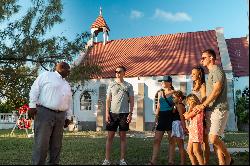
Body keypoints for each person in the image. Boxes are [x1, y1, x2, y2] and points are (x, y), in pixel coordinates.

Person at [194, 49, 233, 165]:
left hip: (219, 108)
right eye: (201, 58)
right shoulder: (211, 72)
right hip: (211, 109)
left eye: (204, 58)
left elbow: (216, 90)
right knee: (215, 141)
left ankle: (229, 158)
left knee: (213, 139)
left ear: (211, 58)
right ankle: (222, 162)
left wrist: (203, 105)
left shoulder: (216, 70)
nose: (202, 60)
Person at [28, 62, 73, 165]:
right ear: (61, 68)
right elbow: (35, 89)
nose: (69, 72)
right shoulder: (46, 75)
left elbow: (69, 101)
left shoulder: (66, 84)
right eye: (68, 70)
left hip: (60, 116)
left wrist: (68, 116)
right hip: (44, 113)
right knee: (41, 144)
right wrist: (32, 105)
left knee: (56, 145)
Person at [102, 66, 134, 165]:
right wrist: (107, 113)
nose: (117, 73)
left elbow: (132, 100)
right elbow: (108, 100)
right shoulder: (111, 85)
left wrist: (130, 113)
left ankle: (122, 160)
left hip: (124, 114)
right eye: (116, 71)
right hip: (112, 114)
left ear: (124, 73)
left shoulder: (128, 85)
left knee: (123, 137)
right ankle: (107, 160)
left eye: (119, 71)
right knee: (110, 137)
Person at [148, 76, 175, 165]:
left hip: (170, 117)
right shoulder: (160, 93)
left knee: (171, 140)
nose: (162, 83)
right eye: (162, 82)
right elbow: (158, 106)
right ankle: (153, 161)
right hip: (161, 117)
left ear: (169, 83)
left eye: (164, 81)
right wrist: (156, 119)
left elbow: (177, 106)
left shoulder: (174, 93)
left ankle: (171, 161)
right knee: (157, 140)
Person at [191, 66, 210, 164]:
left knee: (205, 142)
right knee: (195, 146)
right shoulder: (194, 85)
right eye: (192, 73)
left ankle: (205, 162)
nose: (192, 75)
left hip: (201, 116)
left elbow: (204, 100)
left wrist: (204, 119)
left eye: (194, 74)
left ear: (199, 74)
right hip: (194, 117)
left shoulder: (202, 85)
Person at [184, 94, 204, 165]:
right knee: (189, 151)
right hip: (192, 131)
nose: (188, 104)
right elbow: (186, 116)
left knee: (196, 151)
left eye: (188, 102)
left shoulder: (197, 108)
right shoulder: (194, 108)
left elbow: (186, 116)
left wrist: (189, 109)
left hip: (196, 130)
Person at [171, 90, 188, 165]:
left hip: (178, 125)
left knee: (180, 146)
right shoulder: (177, 105)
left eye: (174, 97)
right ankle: (182, 162)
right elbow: (173, 112)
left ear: (179, 98)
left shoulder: (180, 105)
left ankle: (182, 162)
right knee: (179, 145)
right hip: (176, 124)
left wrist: (184, 128)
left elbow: (181, 117)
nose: (172, 99)